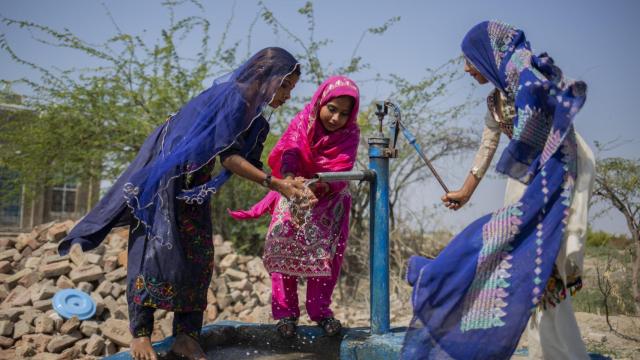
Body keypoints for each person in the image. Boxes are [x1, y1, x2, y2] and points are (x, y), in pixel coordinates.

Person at [58, 47, 313, 360]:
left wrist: (286, 181)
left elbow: (248, 160)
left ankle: (186, 336)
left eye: (291, 88)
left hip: (195, 185)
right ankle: (140, 335)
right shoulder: (231, 99)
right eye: (285, 85)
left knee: (198, 256)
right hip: (166, 175)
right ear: (264, 77)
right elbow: (230, 159)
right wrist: (275, 185)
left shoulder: (254, 118)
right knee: (154, 250)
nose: (287, 95)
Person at [402, 21, 595, 359]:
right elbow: (487, 148)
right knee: (528, 260)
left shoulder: (525, 74)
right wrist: (464, 192)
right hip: (533, 174)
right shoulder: (496, 100)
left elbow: (546, 115)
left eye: (469, 60)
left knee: (547, 257)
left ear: (487, 55)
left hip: (562, 169)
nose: (466, 69)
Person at [229, 76, 360, 338]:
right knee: (281, 249)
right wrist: (288, 180)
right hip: (293, 192)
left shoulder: (350, 135)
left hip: (330, 200)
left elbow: (342, 169)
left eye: (344, 114)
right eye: (332, 109)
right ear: (320, 101)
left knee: (324, 259)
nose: (336, 118)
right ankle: (285, 315)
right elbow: (290, 151)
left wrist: (318, 188)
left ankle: (321, 312)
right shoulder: (303, 122)